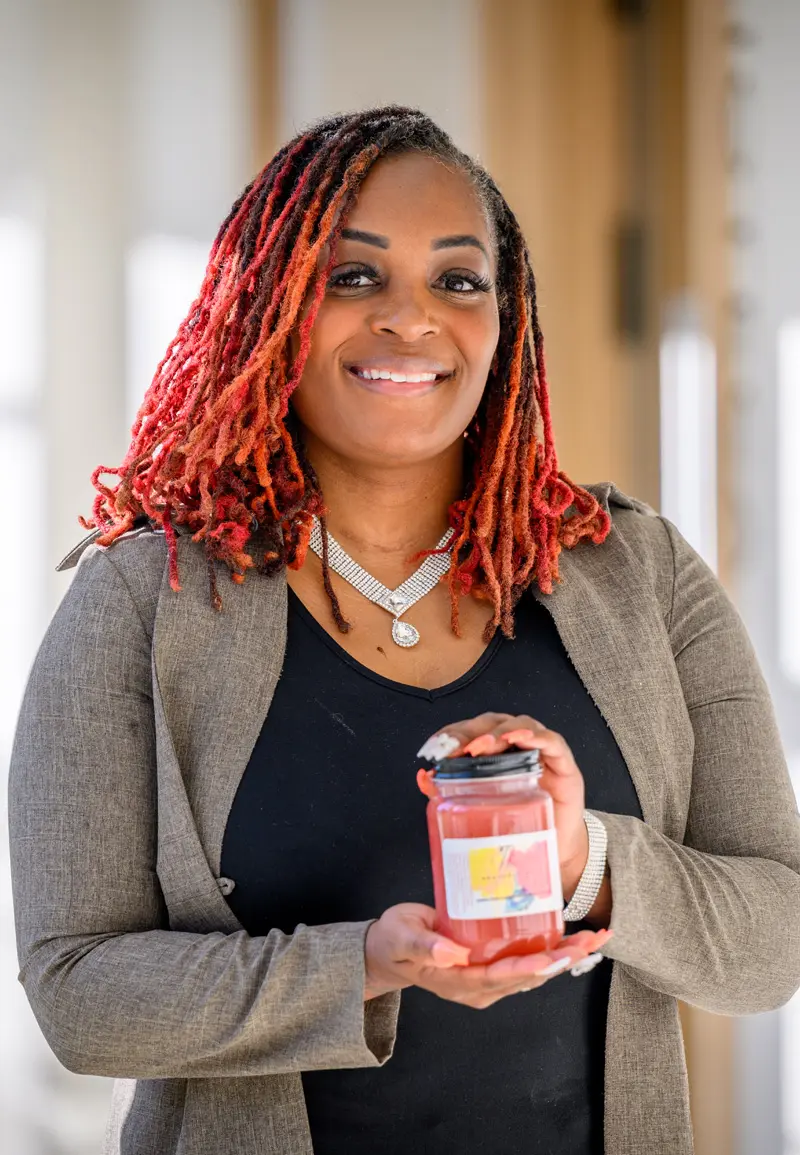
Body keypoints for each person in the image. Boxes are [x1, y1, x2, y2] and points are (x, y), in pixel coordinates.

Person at [8, 106, 800, 1155]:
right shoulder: (139, 598)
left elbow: (773, 938)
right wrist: (362, 966)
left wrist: (587, 858)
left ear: (502, 320)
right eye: (353, 276)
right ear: (266, 309)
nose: (410, 318)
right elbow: (81, 996)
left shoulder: (639, 575)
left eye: (457, 281)